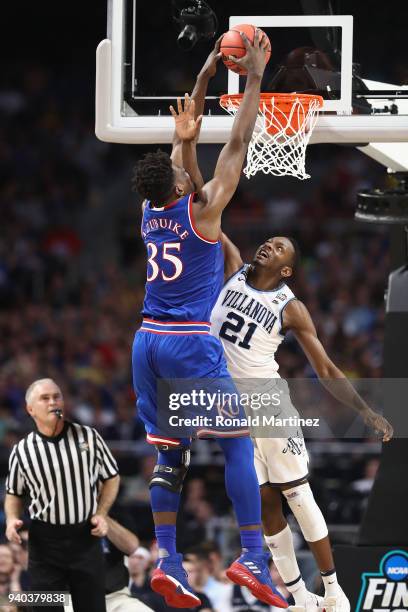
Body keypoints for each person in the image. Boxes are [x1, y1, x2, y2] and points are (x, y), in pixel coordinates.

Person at [131, 33, 287, 609]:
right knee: (239, 442)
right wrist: (252, 76)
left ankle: (167, 558)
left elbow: (183, 142)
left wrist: (204, 71)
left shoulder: (152, 208)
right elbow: (239, 140)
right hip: (187, 346)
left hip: (145, 342)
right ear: (181, 187)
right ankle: (251, 556)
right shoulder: (205, 209)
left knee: (170, 453)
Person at [208, 233, 394, 612]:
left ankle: (334, 590)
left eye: (279, 248)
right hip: (231, 409)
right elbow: (213, 215)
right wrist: (184, 180)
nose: (268, 247)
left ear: (287, 270)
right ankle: (299, 596)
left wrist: (364, 410)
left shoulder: (290, 307)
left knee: (296, 493)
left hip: (269, 404)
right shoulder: (232, 270)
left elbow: (325, 369)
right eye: (269, 241)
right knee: (264, 501)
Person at [4, 378, 120, 612]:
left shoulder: (88, 437)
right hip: (44, 542)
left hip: (85, 537)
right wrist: (10, 520)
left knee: (92, 607)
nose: (53, 402)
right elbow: (14, 493)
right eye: (45, 398)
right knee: (45, 607)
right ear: (30, 409)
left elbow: (112, 477)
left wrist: (101, 513)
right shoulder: (22, 450)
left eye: (57, 396)